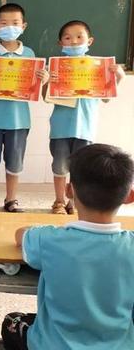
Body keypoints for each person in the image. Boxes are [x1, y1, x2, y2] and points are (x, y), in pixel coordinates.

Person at [2, 143, 134, 350]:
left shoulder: (48, 239)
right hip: (119, 346)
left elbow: (21, 235)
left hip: (53, 345)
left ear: (69, 191)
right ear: (129, 196)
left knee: (11, 321)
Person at [42, 20, 125, 214]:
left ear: (90, 41)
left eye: (79, 37)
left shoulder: (98, 67)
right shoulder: (55, 67)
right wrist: (47, 82)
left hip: (85, 127)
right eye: (68, 38)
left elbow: (106, 99)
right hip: (60, 127)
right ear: (60, 43)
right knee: (59, 166)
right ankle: (59, 201)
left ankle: (74, 202)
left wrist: (119, 78)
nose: (73, 41)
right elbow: (46, 98)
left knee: (80, 169)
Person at [0, 3, 49, 213]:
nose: (10, 27)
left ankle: (11, 199)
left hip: (19, 121)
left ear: (23, 26)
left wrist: (43, 79)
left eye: (15, 23)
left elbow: (34, 87)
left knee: (15, 163)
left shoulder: (30, 54)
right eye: (4, 23)